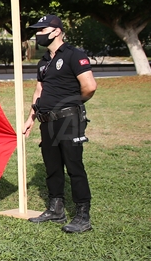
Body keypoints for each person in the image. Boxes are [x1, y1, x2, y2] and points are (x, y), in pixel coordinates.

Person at [22, 14, 97, 233]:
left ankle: (83, 215)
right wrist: (30, 119)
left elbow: (89, 86)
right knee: (52, 167)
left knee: (74, 167)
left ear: (56, 31)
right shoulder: (45, 60)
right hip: (47, 121)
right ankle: (56, 209)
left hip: (68, 119)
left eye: (41, 30)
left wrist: (72, 103)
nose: (37, 34)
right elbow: (39, 91)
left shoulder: (74, 55)